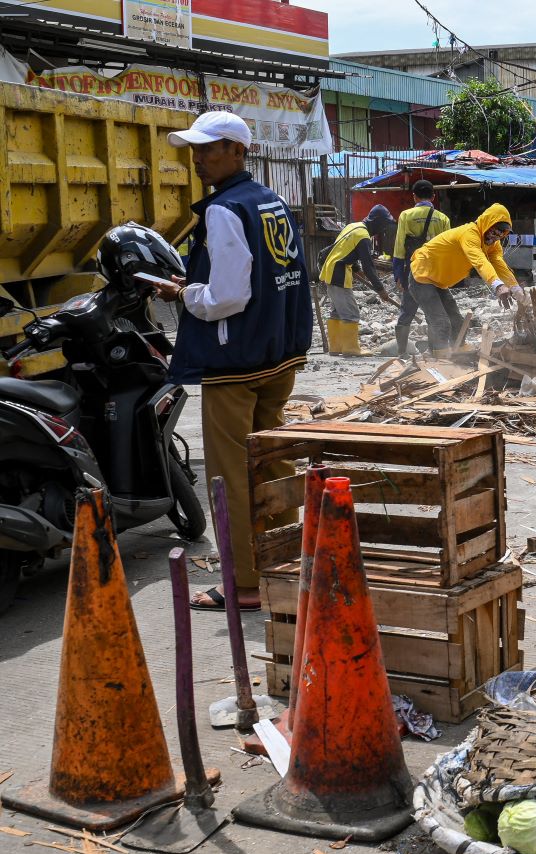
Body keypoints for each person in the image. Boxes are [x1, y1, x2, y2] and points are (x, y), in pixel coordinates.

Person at [157, 110, 311, 611]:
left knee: (230, 473)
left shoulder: (225, 209)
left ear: (239, 151)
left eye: (210, 149)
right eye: (196, 150)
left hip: (235, 360)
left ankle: (244, 582)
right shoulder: (271, 201)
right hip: (278, 355)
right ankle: (286, 562)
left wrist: (184, 293)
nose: (199, 158)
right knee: (274, 461)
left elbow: (226, 297)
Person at [408, 203, 524, 354]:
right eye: (496, 230)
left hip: (439, 281)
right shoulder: (470, 234)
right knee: (440, 321)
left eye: (503, 232)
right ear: (487, 223)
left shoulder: (493, 244)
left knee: (457, 321)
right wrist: (498, 286)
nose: (498, 236)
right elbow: (480, 261)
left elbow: (499, 264)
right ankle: (439, 355)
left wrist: (515, 287)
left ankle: (458, 351)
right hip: (422, 274)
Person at [318, 204, 394, 356]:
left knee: (337, 312)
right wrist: (381, 290)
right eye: (383, 225)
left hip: (331, 270)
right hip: (338, 273)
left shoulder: (352, 227)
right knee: (351, 312)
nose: (383, 229)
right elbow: (369, 267)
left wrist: (357, 270)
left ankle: (336, 347)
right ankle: (351, 348)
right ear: (377, 222)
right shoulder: (363, 237)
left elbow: (344, 250)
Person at [391, 179, 451, 356]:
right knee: (434, 312)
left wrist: (398, 275)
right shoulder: (443, 218)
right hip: (435, 273)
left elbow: (399, 248)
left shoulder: (406, 216)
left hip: (413, 272)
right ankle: (436, 351)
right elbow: (448, 250)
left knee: (406, 312)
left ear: (414, 196)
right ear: (433, 196)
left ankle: (402, 352)